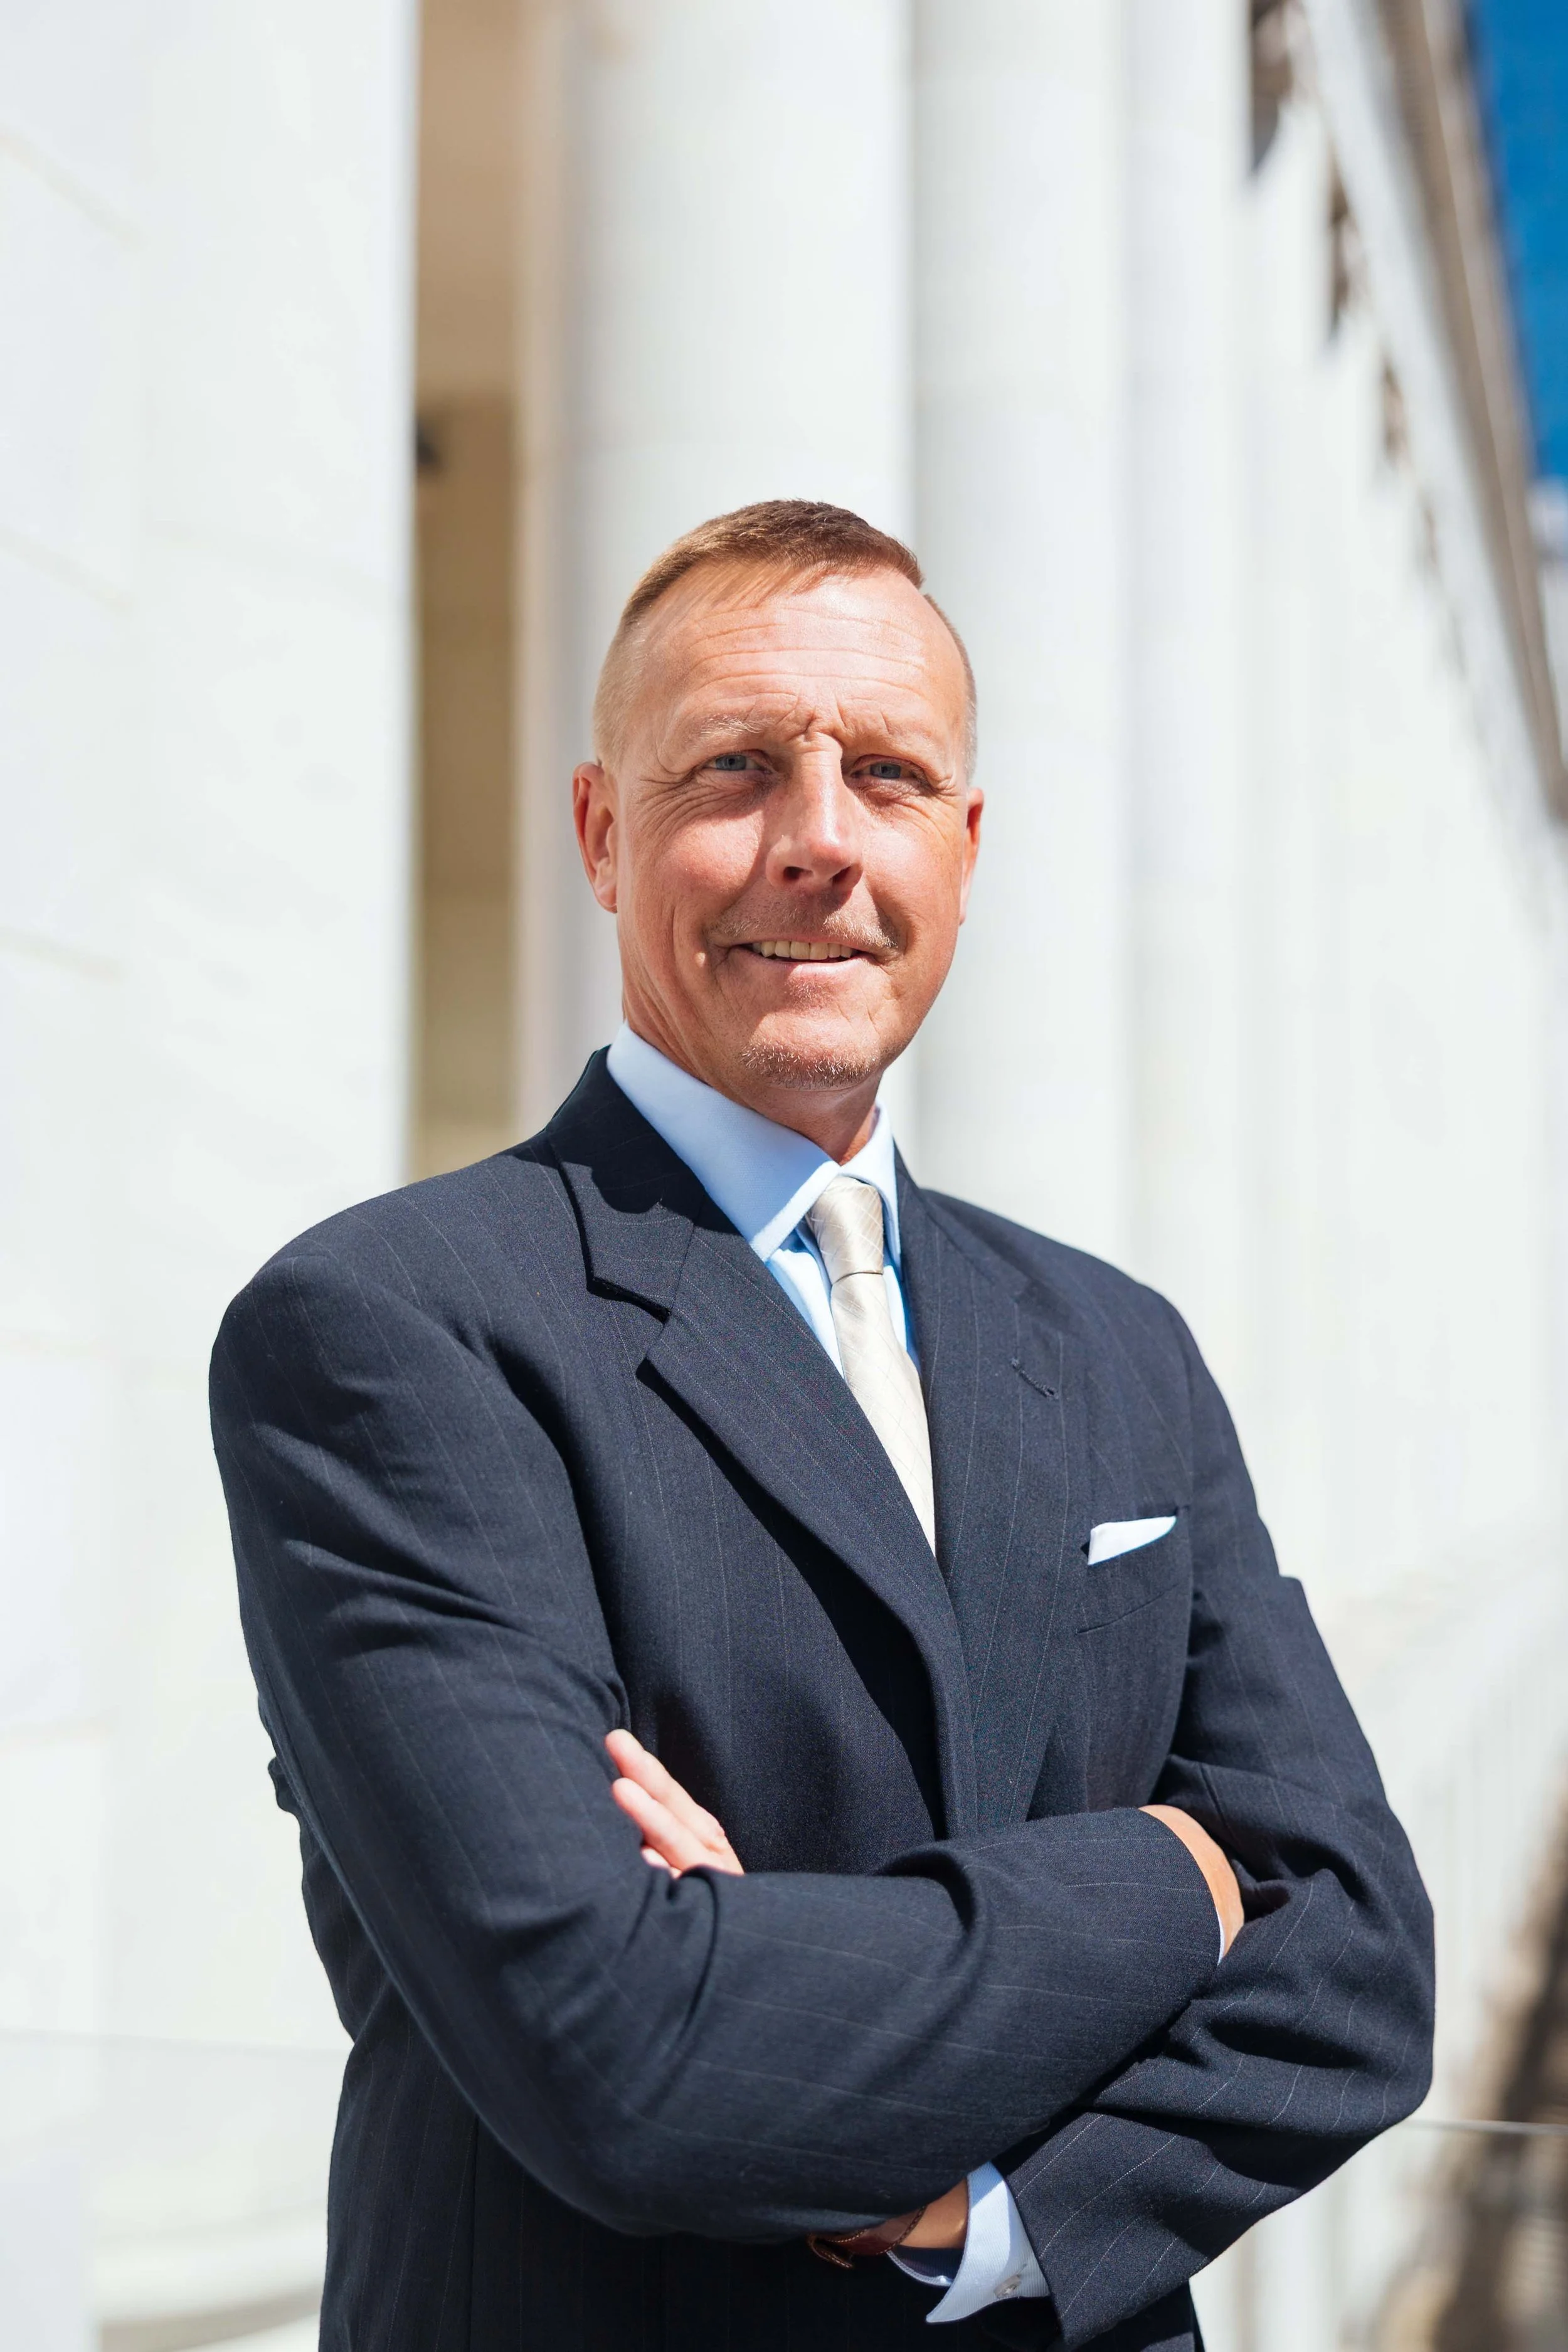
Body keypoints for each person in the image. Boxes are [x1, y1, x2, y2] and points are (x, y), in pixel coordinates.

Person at [211, 501, 1434, 2351]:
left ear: (962, 841)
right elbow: (627, 2051)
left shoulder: (1115, 1343)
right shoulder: (391, 1331)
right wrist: (1171, 1874)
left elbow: (1355, 1958)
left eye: (884, 771)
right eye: (734, 769)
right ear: (603, 836)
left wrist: (981, 2214)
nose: (818, 842)